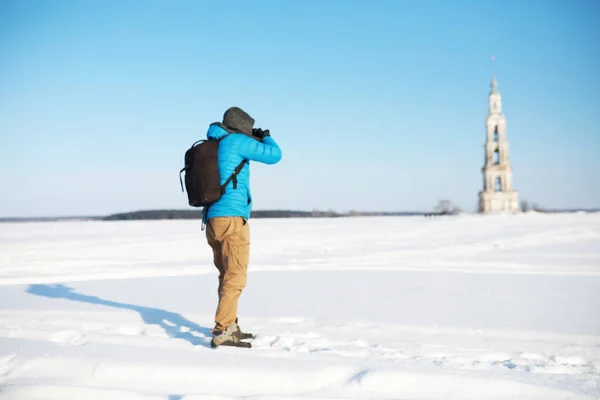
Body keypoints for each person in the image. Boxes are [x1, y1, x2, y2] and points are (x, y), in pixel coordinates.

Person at [204, 106, 282, 349]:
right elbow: (274, 155)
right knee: (236, 275)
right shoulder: (235, 141)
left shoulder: (214, 143)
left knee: (226, 274)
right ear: (242, 127)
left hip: (212, 219)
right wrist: (265, 135)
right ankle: (223, 330)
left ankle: (229, 325)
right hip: (232, 218)